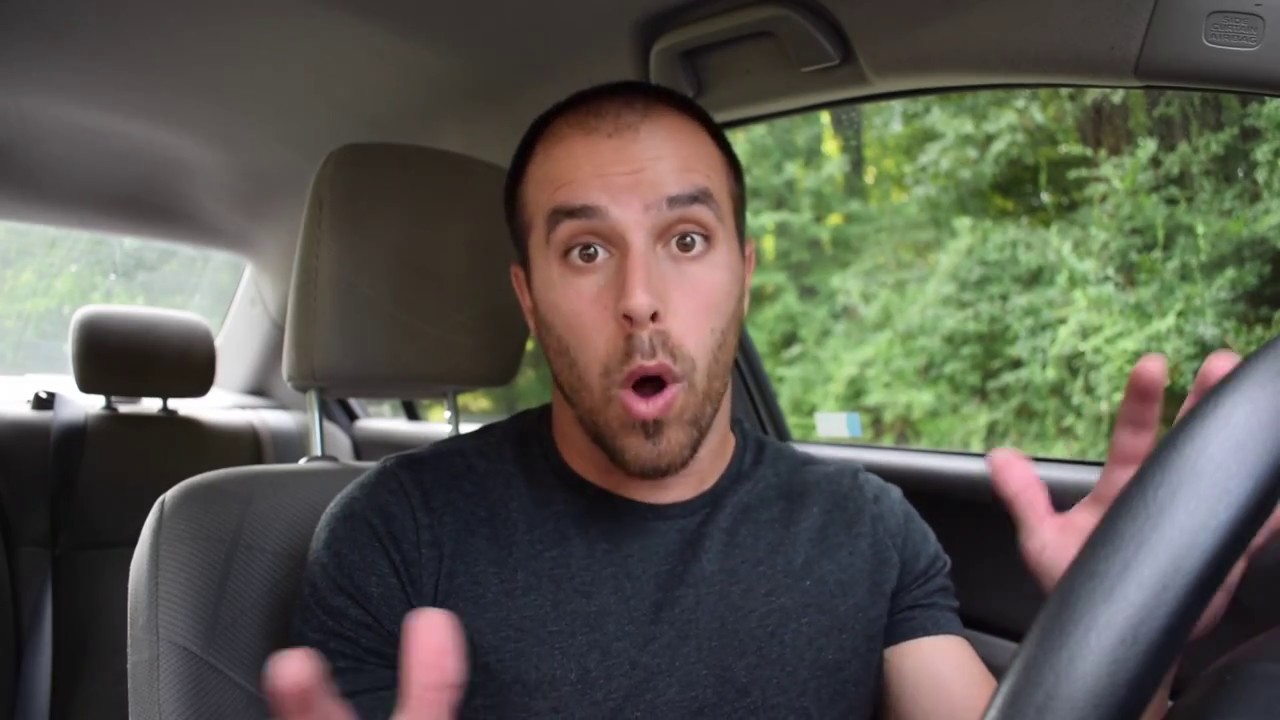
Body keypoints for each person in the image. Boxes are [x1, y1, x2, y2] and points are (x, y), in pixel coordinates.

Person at [262, 80, 1280, 719]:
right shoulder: (396, 535)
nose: (640, 298)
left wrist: (1132, 618)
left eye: (686, 239)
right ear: (528, 298)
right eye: (585, 251)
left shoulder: (865, 528)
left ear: (742, 276)